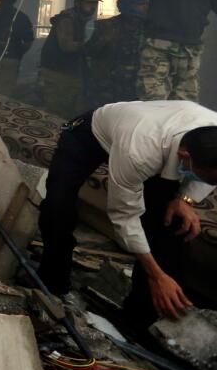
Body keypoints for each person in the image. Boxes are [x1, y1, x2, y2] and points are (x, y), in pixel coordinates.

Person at [37, 101, 217, 330]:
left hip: (158, 140)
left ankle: (140, 320)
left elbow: (209, 176)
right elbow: (124, 216)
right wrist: (156, 275)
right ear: (184, 156)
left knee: (169, 221)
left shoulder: (211, 133)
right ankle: (53, 282)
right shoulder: (139, 152)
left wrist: (184, 199)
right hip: (90, 136)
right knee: (57, 205)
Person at [38, 0, 100, 118]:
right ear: (78, 3)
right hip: (58, 71)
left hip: (65, 71)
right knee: (57, 110)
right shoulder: (68, 19)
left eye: (94, 3)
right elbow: (67, 46)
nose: (93, 6)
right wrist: (91, 46)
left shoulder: (78, 19)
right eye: (89, 3)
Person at [83, 0, 148, 108]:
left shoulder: (148, 29)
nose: (145, 7)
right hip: (106, 88)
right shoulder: (105, 26)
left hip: (134, 88)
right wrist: (104, 40)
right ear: (128, 6)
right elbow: (88, 52)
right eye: (140, 4)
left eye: (145, 4)